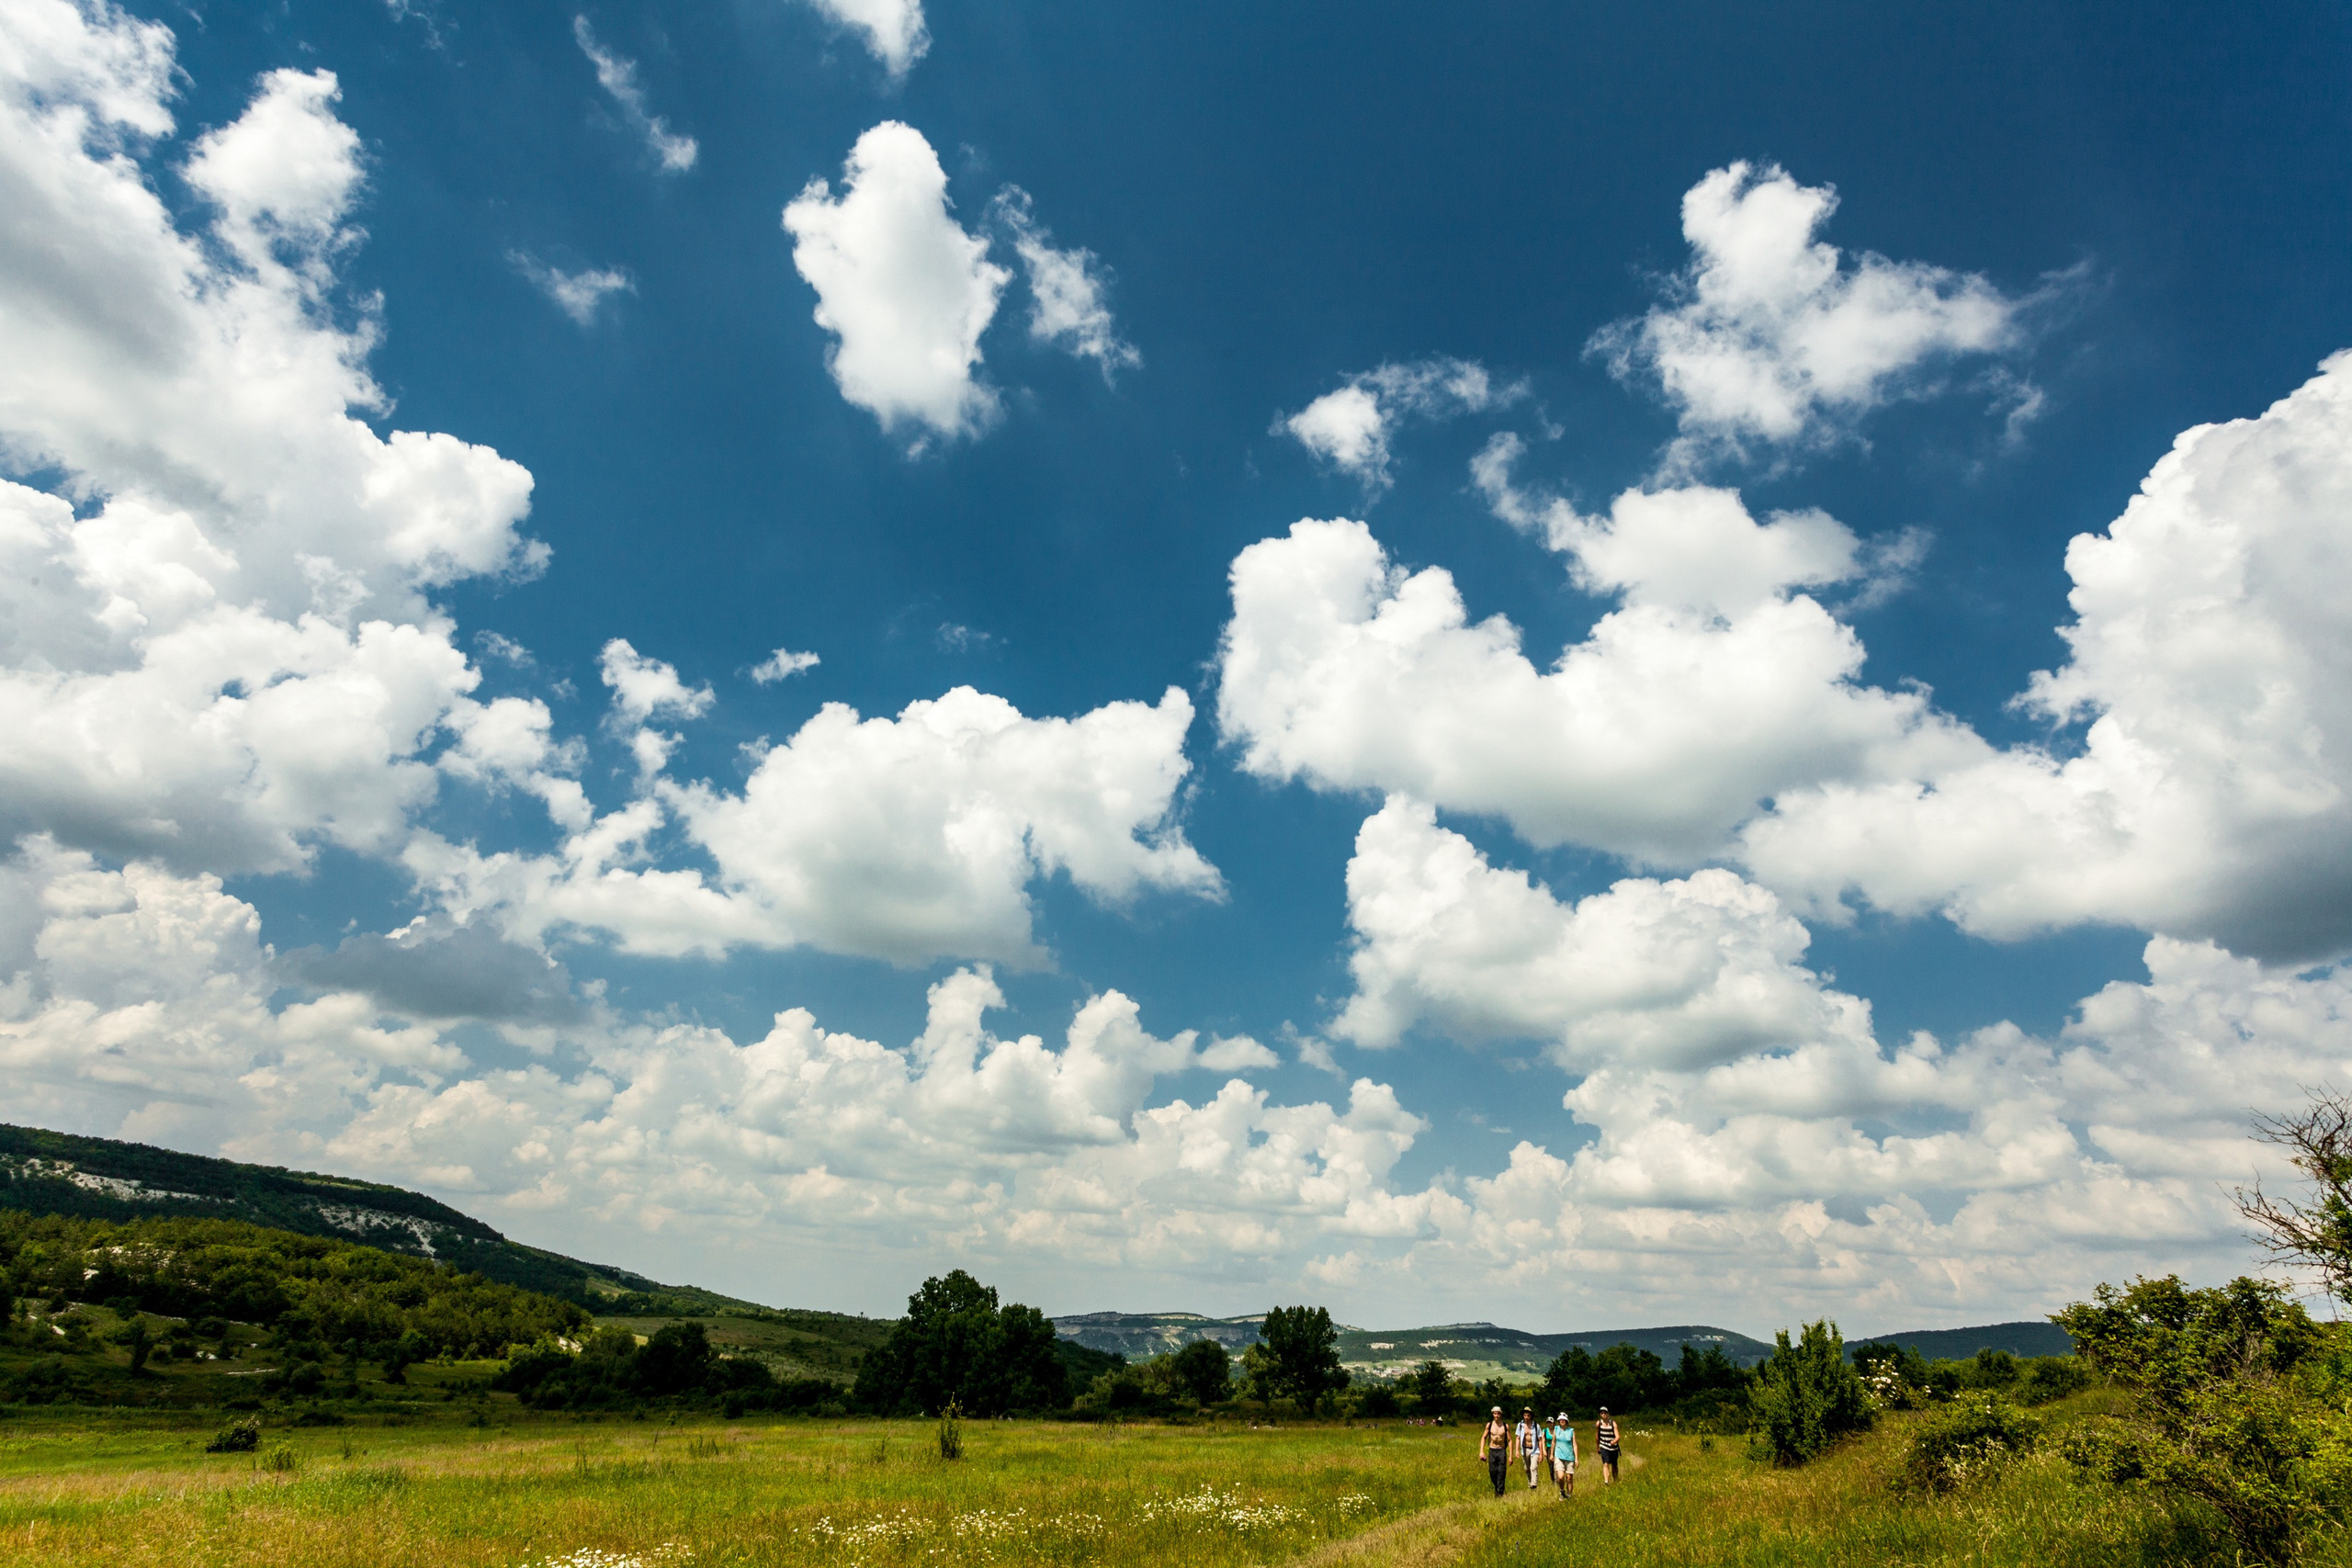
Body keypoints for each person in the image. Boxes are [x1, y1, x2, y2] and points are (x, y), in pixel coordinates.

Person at [1477, 1405, 1511, 1496]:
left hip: (1501, 1450)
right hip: (1492, 1450)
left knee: (1501, 1472)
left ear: (1501, 1415)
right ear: (1493, 1414)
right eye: (1495, 1413)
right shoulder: (1489, 1425)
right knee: (1493, 1472)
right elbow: (1484, 1437)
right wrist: (1481, 1451)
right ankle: (1497, 1488)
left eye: (1498, 1414)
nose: (1497, 1415)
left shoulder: (1505, 1426)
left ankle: (1500, 1493)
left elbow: (1510, 1440)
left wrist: (1511, 1455)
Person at [1548, 1411, 1577, 1498]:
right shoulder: (1556, 1429)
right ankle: (1562, 1491)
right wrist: (1552, 1454)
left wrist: (1576, 1459)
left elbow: (1574, 1445)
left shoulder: (1571, 1431)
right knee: (1560, 1477)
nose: (1562, 1421)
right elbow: (1553, 1442)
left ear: (1567, 1421)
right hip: (1559, 1456)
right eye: (1560, 1419)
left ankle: (1569, 1495)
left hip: (1569, 1457)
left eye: (1563, 1419)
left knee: (1569, 1478)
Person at [1516, 1406, 1543, 1490]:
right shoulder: (1520, 1425)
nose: (1526, 1417)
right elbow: (1518, 1438)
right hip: (1525, 1449)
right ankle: (1530, 1484)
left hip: (1534, 1449)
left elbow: (1540, 1439)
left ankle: (1534, 1484)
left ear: (1531, 1416)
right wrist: (1516, 1450)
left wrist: (1541, 1454)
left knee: (1533, 1467)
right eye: (1525, 1415)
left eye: (1528, 1415)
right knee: (1527, 1469)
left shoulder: (1536, 1426)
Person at [1595, 1406, 1621, 1484]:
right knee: (1605, 1463)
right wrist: (1598, 1447)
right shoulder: (1598, 1423)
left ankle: (1616, 1480)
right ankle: (1606, 1481)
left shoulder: (1613, 1423)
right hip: (1604, 1446)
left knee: (1614, 1465)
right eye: (1602, 1413)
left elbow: (1618, 1436)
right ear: (1600, 1414)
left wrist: (1614, 1441)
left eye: (1605, 1413)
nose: (1603, 1414)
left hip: (1613, 1448)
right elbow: (1597, 1436)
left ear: (1608, 1414)